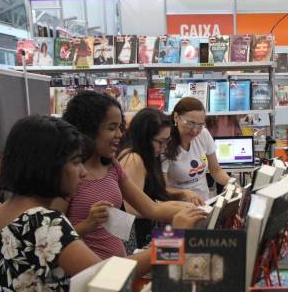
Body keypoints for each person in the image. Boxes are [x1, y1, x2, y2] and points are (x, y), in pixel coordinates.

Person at [0, 115, 202, 292]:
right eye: (75, 162)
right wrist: (174, 238)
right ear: (48, 164)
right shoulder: (45, 222)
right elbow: (109, 277)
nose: (83, 172)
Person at [57, 90, 199, 259]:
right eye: (112, 128)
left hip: (119, 264)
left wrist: (195, 213)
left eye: (120, 127)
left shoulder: (112, 165)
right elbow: (54, 240)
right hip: (97, 270)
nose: (119, 134)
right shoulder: (67, 175)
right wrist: (86, 226)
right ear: (89, 129)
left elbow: (151, 208)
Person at [119, 108, 203, 248]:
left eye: (167, 141)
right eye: (160, 142)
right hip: (136, 236)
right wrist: (176, 209)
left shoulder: (150, 156)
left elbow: (153, 195)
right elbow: (133, 209)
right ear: (144, 138)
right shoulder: (133, 159)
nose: (164, 147)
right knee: (166, 257)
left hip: (146, 229)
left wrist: (180, 198)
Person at [164, 97, 232, 202]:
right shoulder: (164, 143)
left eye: (200, 125)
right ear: (176, 117)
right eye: (190, 124)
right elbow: (162, 189)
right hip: (178, 206)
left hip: (204, 202)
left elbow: (216, 170)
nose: (195, 130)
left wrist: (232, 184)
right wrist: (183, 193)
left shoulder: (203, 134)